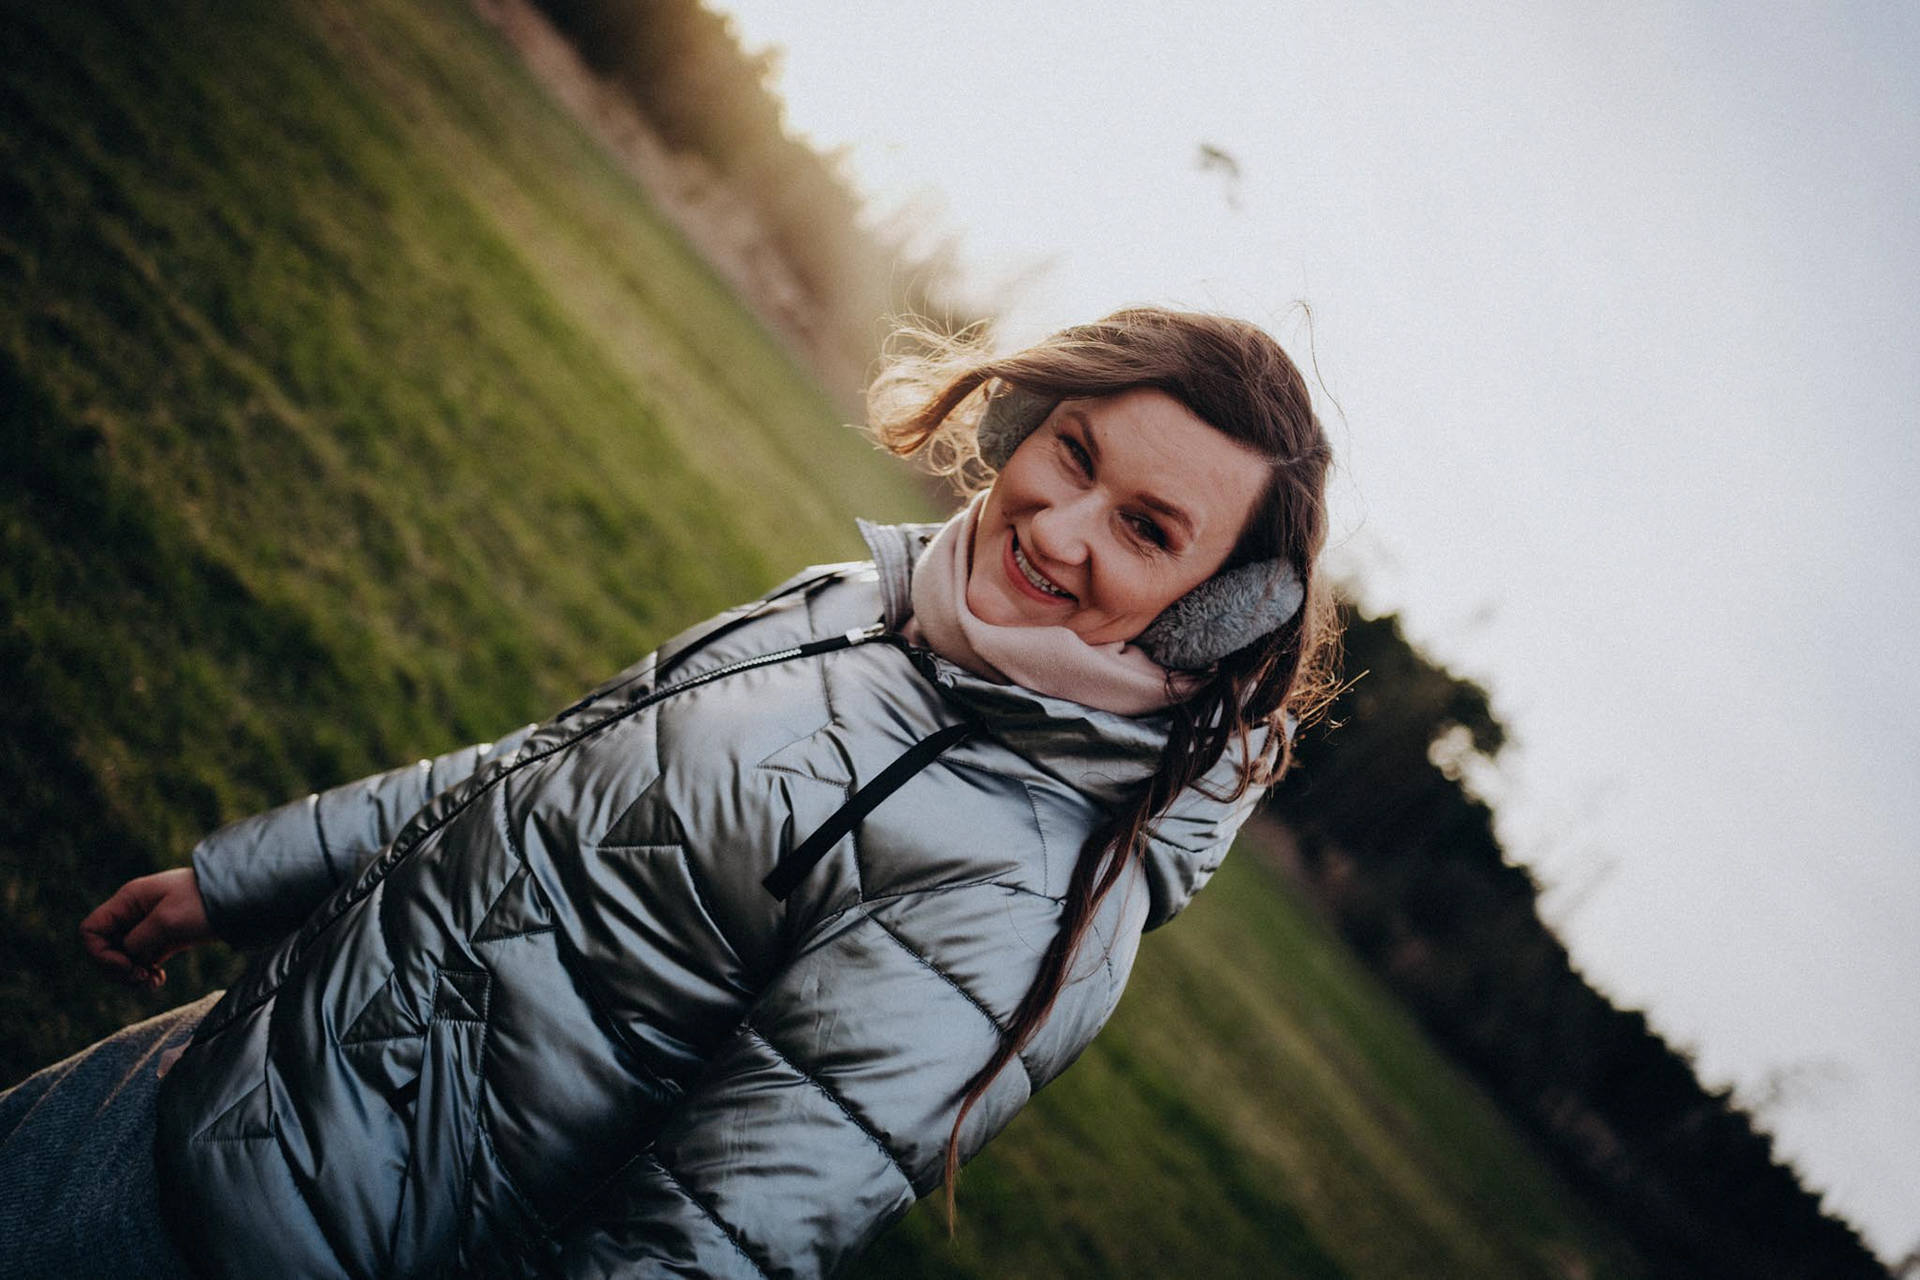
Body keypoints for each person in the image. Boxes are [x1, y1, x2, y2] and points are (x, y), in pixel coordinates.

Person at [1, 306, 1338, 1278]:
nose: (1059, 527)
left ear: (1210, 616)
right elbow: (538, 770)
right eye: (1075, 453)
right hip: (223, 1069)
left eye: (1146, 529)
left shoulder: (1025, 894)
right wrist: (242, 880)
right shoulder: (861, 607)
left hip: (280, 1243)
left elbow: (714, 1239)